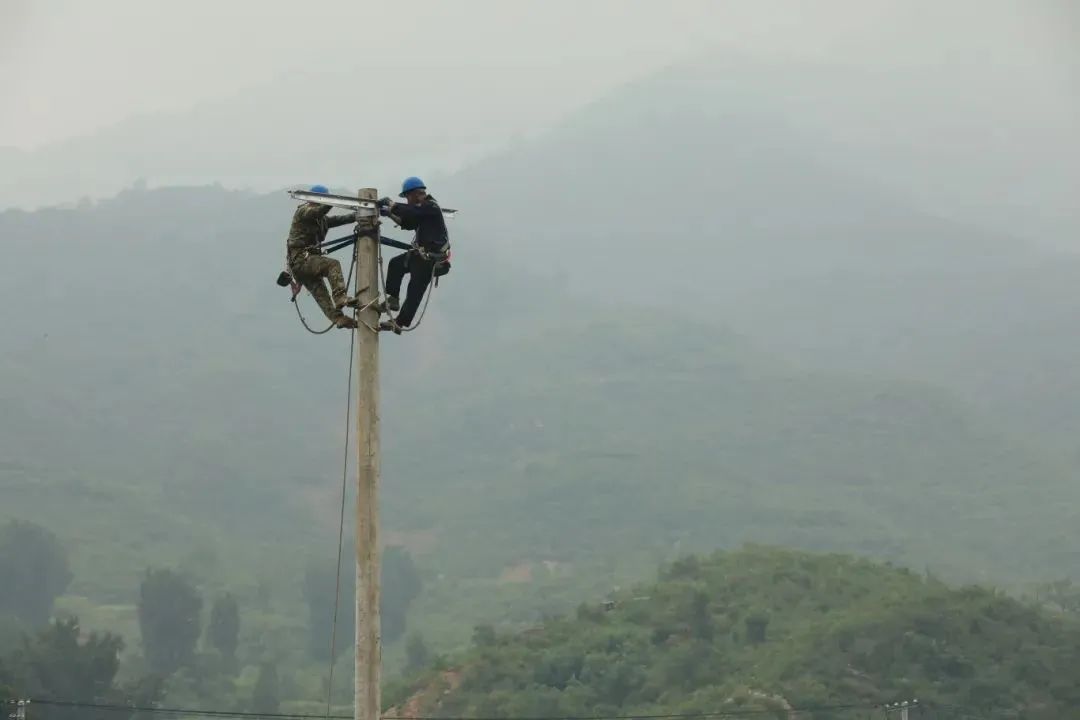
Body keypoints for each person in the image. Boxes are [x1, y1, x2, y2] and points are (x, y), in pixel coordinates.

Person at [376, 176, 449, 333]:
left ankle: (399, 323)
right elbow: (409, 223)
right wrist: (390, 214)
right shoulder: (422, 211)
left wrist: (391, 204)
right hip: (420, 257)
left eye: (407, 197)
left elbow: (411, 211)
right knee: (396, 264)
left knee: (414, 291)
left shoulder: (430, 206)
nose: (407, 201)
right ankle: (393, 299)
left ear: (415, 194)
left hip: (430, 260)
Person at [286, 184, 359, 329]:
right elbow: (317, 212)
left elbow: (340, 219)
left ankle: (338, 319)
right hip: (301, 260)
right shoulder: (303, 211)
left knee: (321, 294)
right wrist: (331, 201)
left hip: (304, 264)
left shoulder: (322, 220)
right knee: (332, 265)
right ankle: (340, 296)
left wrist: (359, 216)